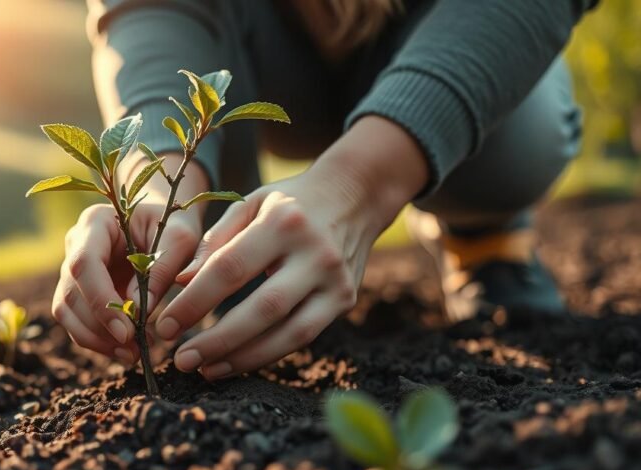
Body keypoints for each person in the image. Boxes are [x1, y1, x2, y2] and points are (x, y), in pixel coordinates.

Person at [53, 0, 597, 380]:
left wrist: (357, 185)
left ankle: (482, 235)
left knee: (520, 143)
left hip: (449, 32)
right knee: (241, 294)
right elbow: (152, 11)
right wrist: (153, 190)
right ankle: (234, 266)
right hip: (271, 52)